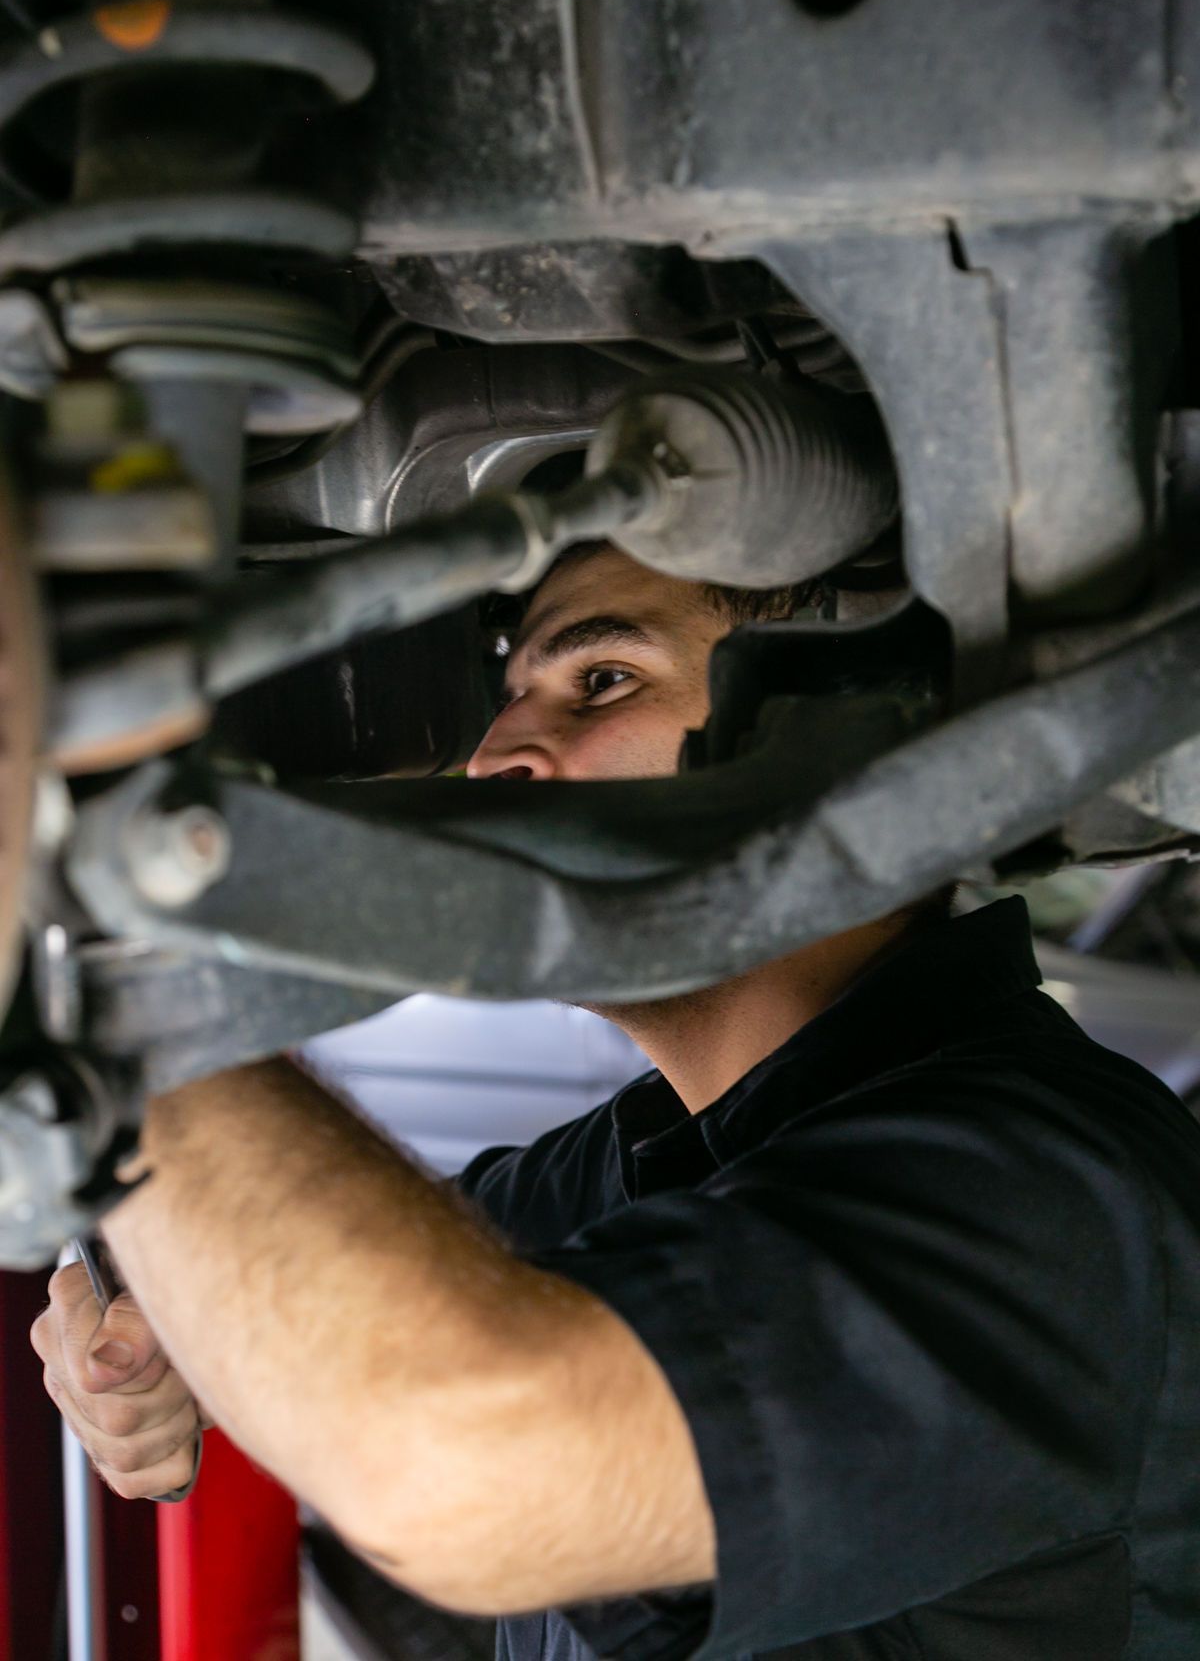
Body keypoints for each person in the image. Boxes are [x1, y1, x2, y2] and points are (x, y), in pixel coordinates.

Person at [31, 542, 1200, 1659]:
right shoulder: (627, 1170)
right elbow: (335, 1302)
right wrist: (165, 1337)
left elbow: (445, 1450)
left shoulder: (1042, 1192)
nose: (494, 759)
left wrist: (121, 982)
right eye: (513, 694)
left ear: (851, 746)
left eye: (601, 679)